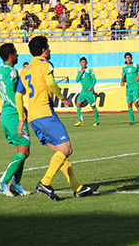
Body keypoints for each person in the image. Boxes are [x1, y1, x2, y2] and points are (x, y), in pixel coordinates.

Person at [15, 36, 98, 200]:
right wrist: (62, 97)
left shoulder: (24, 70)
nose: (50, 50)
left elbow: (18, 96)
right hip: (45, 113)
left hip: (33, 118)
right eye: (48, 47)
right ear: (44, 50)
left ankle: (77, 187)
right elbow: (51, 84)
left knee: (63, 151)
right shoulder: (45, 65)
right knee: (66, 149)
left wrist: (21, 119)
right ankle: (45, 183)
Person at [0, 43, 32, 197]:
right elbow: (12, 93)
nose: (17, 56)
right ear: (11, 56)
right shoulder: (12, 72)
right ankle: (3, 181)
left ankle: (16, 184)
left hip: (5, 114)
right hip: (13, 114)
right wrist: (22, 110)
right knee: (24, 150)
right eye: (16, 53)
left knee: (23, 151)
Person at [121, 52, 139, 126]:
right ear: (125, 59)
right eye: (126, 58)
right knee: (129, 104)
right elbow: (123, 76)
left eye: (129, 57)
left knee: (136, 103)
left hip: (135, 87)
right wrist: (122, 81)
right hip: (128, 88)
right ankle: (133, 121)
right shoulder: (124, 68)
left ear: (131, 58)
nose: (128, 59)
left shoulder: (135, 65)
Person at [73, 57, 99, 127]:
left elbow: (94, 79)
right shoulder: (79, 71)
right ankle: (81, 121)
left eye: (84, 62)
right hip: (83, 92)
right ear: (80, 63)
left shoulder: (89, 70)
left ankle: (97, 121)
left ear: (86, 63)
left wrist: (91, 86)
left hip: (89, 92)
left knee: (93, 106)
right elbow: (77, 80)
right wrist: (81, 73)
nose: (83, 64)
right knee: (78, 105)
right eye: (82, 62)